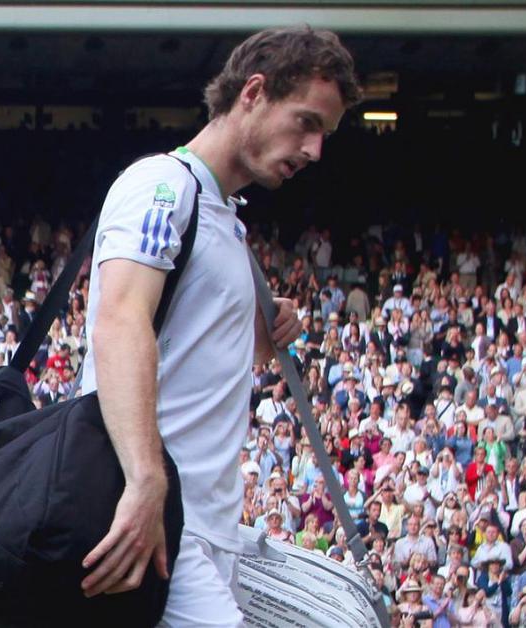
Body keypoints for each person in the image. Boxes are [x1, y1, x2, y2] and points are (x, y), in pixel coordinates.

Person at [78, 26, 360, 624]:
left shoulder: (226, 219)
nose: (315, 151)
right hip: (150, 517)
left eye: (325, 135)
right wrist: (145, 480)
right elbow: (119, 323)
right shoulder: (161, 186)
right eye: (306, 122)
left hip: (202, 526)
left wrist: (258, 332)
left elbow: (190, 354)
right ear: (254, 92)